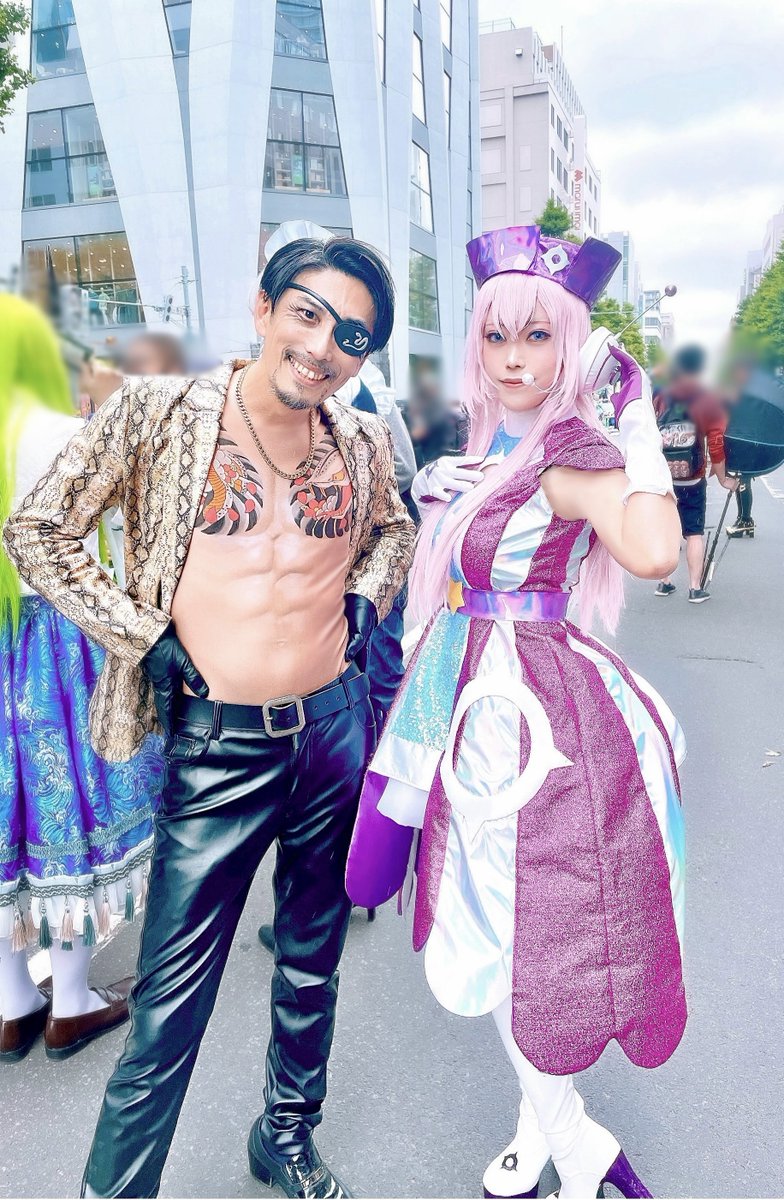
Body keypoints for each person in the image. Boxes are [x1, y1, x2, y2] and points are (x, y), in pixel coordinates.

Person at [4, 237, 415, 1199]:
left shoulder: (359, 439)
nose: (323, 347)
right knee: (170, 1004)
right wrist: (144, 636)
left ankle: (286, 1136)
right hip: (217, 746)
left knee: (311, 965)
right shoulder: (158, 413)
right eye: (308, 313)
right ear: (263, 308)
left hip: (332, 734)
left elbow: (396, 528)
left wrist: (367, 598)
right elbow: (38, 529)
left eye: (352, 336)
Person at [345, 226, 687, 1200]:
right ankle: (549, 1132)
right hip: (456, 693)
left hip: (521, 714)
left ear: (570, 341)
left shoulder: (572, 449)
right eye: (496, 337)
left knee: (511, 917)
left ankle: (576, 1145)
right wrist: (433, 496)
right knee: (490, 909)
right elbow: (455, 575)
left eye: (537, 337)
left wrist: (636, 420)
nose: (512, 359)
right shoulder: (493, 435)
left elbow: (653, 551)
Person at [0, 294, 163, 1064]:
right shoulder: (66, 435)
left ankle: (11, 1005)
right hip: (60, 646)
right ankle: (70, 1001)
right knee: (65, 815)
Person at [654, 344, 737, 602]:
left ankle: (664, 582)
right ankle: (694, 588)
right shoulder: (706, 398)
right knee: (694, 533)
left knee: (667, 528)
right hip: (692, 477)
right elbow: (716, 441)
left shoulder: (661, 395)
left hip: (664, 477)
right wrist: (722, 478)